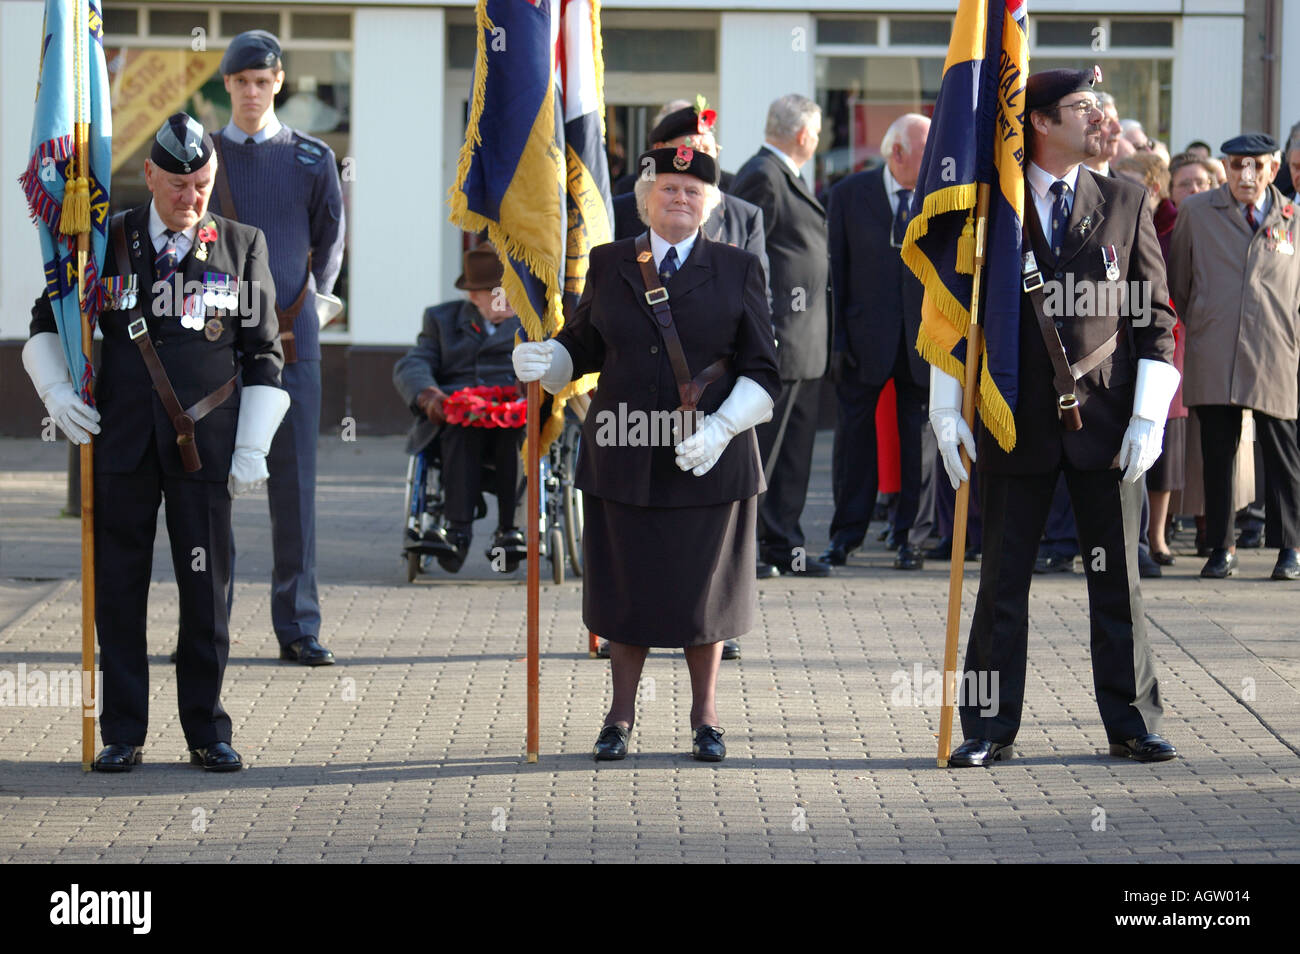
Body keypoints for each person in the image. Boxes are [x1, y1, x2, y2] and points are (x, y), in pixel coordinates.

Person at [930, 69, 1181, 766]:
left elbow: (1156, 320)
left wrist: (1148, 416)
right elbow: (956, 316)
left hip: (1107, 424)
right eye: (1081, 106)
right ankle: (987, 726)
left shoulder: (1127, 202)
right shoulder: (991, 211)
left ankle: (1132, 722)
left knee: (1118, 583)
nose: (1098, 115)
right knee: (1002, 582)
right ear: (1038, 122)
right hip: (1015, 420)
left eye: (1100, 103)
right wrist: (944, 406)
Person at [23, 113, 287, 772]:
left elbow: (264, 356)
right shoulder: (104, 239)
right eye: (177, 184)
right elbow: (45, 320)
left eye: (201, 183)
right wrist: (56, 394)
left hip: (205, 450)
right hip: (123, 446)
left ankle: (206, 729)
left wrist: (254, 444)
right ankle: (123, 731)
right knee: (118, 590)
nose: (190, 198)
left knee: (205, 592)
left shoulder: (240, 245)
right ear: (148, 175)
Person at [512, 146, 780, 762]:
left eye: (693, 190)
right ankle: (619, 717)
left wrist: (719, 430)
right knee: (624, 594)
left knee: (702, 597)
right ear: (645, 197)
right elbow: (582, 348)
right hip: (624, 456)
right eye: (668, 188)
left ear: (709, 204)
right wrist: (547, 361)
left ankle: (705, 717)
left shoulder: (738, 268)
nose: (680, 197)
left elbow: (766, 370)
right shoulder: (609, 264)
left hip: (707, 458)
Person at [209, 29, 346, 666]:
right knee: (212, 489)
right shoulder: (204, 157)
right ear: (227, 85)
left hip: (293, 343)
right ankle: (210, 622)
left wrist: (312, 305)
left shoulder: (313, 159)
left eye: (263, 81)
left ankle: (298, 625)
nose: (252, 92)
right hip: (214, 348)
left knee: (294, 490)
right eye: (241, 82)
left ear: (279, 82)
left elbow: (332, 239)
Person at [1167, 133, 1300, 581]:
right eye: (1238, 165)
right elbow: (1179, 282)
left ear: (1274, 167)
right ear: (1224, 167)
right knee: (1217, 452)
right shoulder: (1196, 213)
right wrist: (1206, 320)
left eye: (1257, 166)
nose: (1247, 175)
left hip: (1274, 350)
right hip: (1215, 347)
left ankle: (1290, 548)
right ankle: (1220, 547)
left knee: (1283, 452)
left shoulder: (1292, 217)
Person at [822, 113, 936, 570]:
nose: (935, 160)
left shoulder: (939, 197)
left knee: (917, 445)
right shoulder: (850, 195)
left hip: (921, 343)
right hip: (863, 341)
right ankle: (846, 535)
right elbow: (836, 272)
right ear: (897, 153)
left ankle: (908, 536)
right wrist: (838, 341)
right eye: (926, 152)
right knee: (854, 444)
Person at [731, 94, 833, 577]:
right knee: (767, 454)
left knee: (794, 456)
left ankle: (785, 546)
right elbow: (749, 259)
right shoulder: (763, 175)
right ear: (803, 134)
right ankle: (747, 551)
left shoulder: (785, 174)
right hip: (781, 337)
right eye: (816, 131)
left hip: (805, 340)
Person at [392, 243, 526, 572]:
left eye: (510, 290)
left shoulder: (532, 323)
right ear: (473, 296)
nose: (505, 299)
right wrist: (429, 396)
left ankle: (511, 531)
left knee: (519, 434)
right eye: (496, 292)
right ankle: (457, 533)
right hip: (457, 415)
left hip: (511, 415)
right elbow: (414, 363)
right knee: (459, 427)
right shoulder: (442, 319)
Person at [1114, 152, 1187, 565]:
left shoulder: (1170, 227)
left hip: (1154, 351)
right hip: (1117, 351)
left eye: (1126, 180)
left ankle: (1144, 544)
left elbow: (1158, 300)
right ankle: (1130, 546)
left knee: (1150, 454)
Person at [612, 98, 768, 290]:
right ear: (660, 149)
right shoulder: (620, 210)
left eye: (709, 150)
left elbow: (758, 296)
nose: (703, 160)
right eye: (692, 150)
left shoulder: (745, 217)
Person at [1083, 92, 1122, 177]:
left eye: (1117, 121)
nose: (1118, 129)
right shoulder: (1063, 184)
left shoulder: (1128, 188)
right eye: (1107, 122)